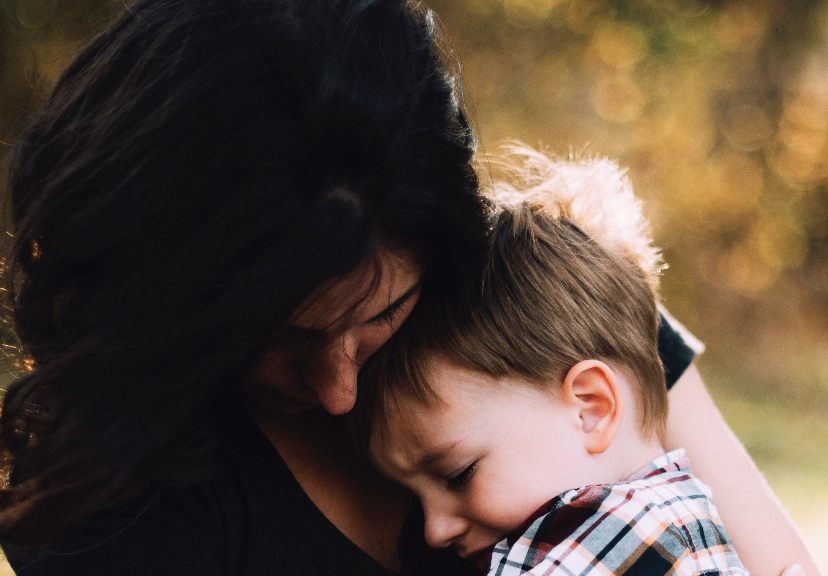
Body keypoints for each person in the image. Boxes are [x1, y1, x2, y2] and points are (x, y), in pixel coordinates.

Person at [0, 0, 817, 575]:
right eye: (275, 338)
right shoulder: (116, 496)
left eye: (381, 315)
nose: (338, 391)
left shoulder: (541, 315)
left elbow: (778, 565)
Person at [357, 150, 748, 575]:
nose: (434, 531)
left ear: (591, 408)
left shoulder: (622, 543)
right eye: (415, 498)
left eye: (458, 475)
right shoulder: (671, 521)